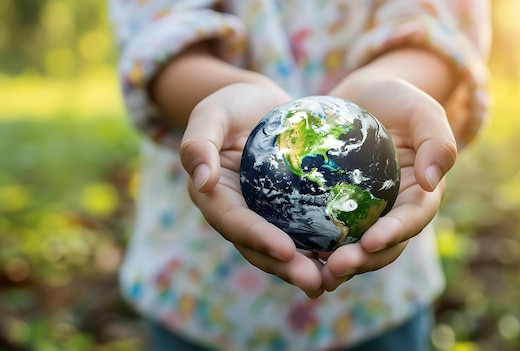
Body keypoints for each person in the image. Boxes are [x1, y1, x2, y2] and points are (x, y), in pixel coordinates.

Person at [107, 1, 491, 350]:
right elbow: (160, 33)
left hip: (377, 306)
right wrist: (228, 94)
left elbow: (439, 23)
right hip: (197, 289)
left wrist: (392, 88)